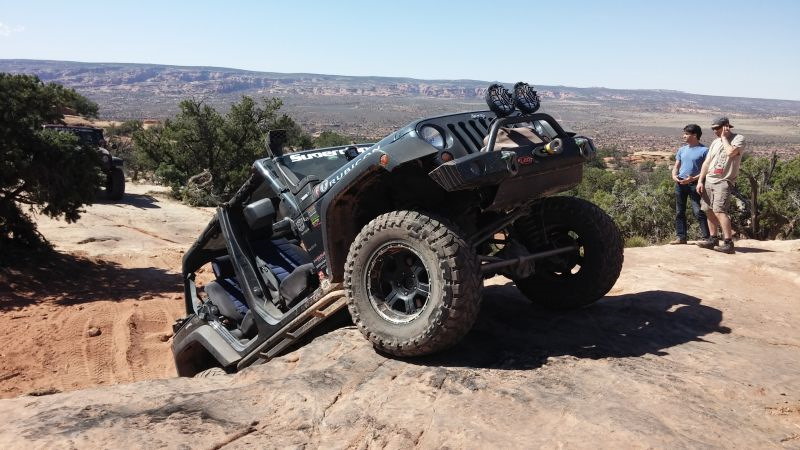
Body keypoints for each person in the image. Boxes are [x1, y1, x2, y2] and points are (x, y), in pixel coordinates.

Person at [696, 117, 746, 254]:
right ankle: (713, 239)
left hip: (724, 180)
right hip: (709, 180)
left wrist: (724, 138)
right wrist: (701, 180)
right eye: (713, 128)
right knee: (708, 210)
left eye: (717, 128)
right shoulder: (714, 142)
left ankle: (728, 243)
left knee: (720, 211)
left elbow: (731, 153)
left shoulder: (738, 139)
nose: (714, 131)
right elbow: (707, 162)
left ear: (726, 127)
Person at [670, 124, 710, 244]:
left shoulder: (704, 151)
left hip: (695, 184)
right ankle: (681, 237)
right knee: (679, 211)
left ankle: (707, 238)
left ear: (694, 135)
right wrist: (674, 176)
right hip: (680, 183)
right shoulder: (682, 149)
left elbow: (707, 170)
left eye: (686, 134)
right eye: (684, 133)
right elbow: (676, 165)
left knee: (698, 211)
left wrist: (693, 179)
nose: (684, 136)